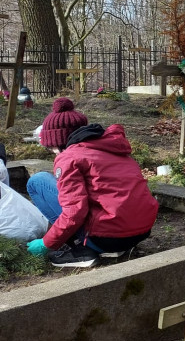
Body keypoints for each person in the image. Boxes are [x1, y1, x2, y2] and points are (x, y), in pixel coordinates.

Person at [25, 98, 158, 268]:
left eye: (51, 148)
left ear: (59, 141)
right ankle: (109, 245)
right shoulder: (115, 147)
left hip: (106, 239)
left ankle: (81, 249)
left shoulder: (69, 157)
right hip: (140, 232)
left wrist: (47, 243)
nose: (52, 153)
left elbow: (74, 211)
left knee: (38, 181)